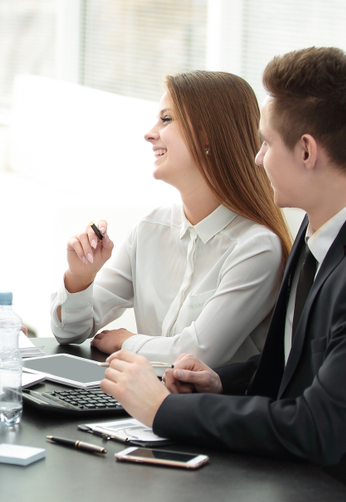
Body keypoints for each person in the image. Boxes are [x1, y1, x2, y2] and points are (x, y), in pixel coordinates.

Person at [100, 47, 346, 502]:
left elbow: (316, 425)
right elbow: (292, 373)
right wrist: (220, 382)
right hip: (303, 497)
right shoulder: (317, 228)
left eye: (265, 144)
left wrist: (165, 410)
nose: (258, 158)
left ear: (306, 151)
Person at [51, 71, 291, 366]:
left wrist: (127, 341)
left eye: (166, 119)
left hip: (201, 410)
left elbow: (194, 355)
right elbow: (69, 330)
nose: (150, 133)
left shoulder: (257, 248)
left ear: (206, 134)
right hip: (142, 403)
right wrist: (80, 277)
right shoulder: (152, 228)